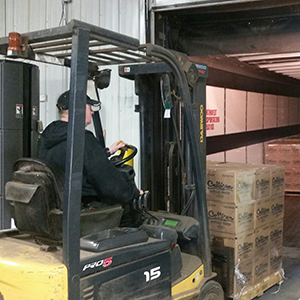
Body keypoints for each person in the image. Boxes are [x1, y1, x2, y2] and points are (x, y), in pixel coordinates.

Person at [38, 90, 141, 226]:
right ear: (79, 109)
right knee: (131, 209)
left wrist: (107, 152)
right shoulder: (83, 138)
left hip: (61, 204)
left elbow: (71, 159)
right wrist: (134, 192)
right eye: (89, 107)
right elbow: (110, 185)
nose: (92, 112)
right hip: (84, 206)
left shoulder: (48, 136)